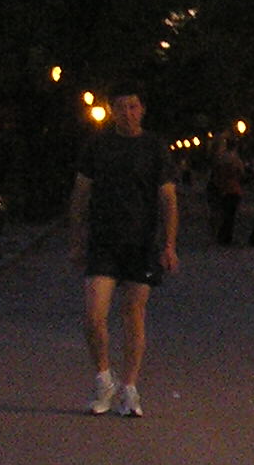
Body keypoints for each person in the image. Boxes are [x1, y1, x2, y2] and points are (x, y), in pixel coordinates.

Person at [67, 86, 178, 418]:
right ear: (112, 111)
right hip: (103, 241)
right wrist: (76, 239)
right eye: (120, 107)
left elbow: (168, 199)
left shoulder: (155, 147)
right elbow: (80, 194)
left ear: (142, 109)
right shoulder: (98, 145)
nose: (127, 113)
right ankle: (104, 378)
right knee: (94, 315)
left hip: (142, 242)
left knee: (133, 313)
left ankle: (129, 387)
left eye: (133, 106)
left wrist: (170, 244)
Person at [208, 136, 245, 245]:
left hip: (221, 187)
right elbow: (241, 172)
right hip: (233, 188)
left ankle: (220, 235)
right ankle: (227, 237)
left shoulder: (220, 158)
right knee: (231, 215)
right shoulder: (236, 159)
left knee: (222, 212)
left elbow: (215, 171)